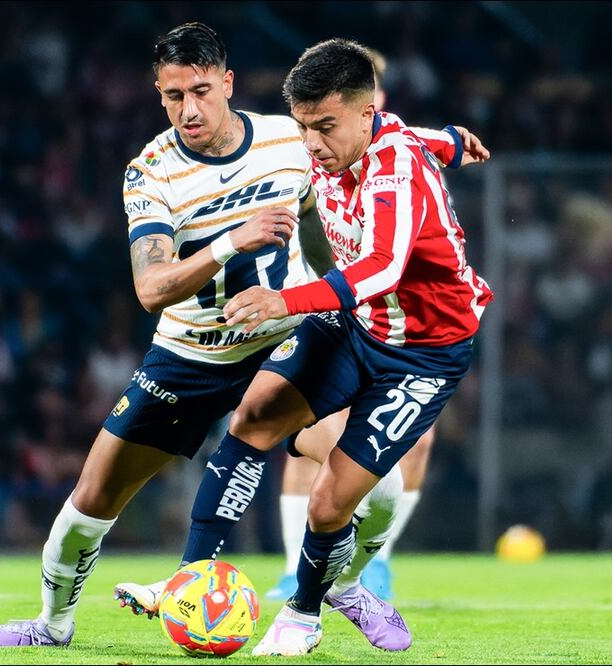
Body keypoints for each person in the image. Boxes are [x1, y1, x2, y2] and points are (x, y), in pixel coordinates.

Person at [0, 23, 481, 650]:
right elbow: (152, 289)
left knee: (373, 481)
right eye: (172, 95)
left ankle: (328, 581)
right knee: (90, 499)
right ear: (158, 96)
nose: (188, 109)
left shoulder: (287, 137)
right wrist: (230, 241)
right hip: (191, 353)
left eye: (201, 91)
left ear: (228, 84)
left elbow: (375, 133)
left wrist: (449, 141)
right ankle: (51, 626)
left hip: (289, 326)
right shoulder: (150, 174)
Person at [118, 38, 491, 657]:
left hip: (423, 352)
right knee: (254, 417)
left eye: (324, 128)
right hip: (358, 326)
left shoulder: (392, 171)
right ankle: (191, 582)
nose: (311, 145)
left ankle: (307, 611)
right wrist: (454, 138)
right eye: (303, 127)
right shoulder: (344, 140)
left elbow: (379, 269)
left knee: (328, 505)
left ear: (363, 114)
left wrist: (281, 302)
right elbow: (419, 135)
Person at [268, 46, 437, 603]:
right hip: (323, 302)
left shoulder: (394, 155)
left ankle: (374, 562)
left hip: (385, 315)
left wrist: (456, 143)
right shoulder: (311, 151)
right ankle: (299, 568)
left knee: (413, 440)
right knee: (316, 431)